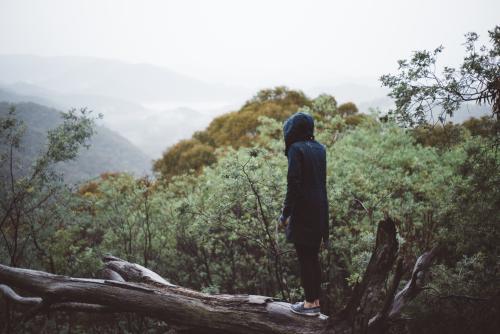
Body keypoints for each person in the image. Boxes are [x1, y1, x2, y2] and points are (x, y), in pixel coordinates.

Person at [279, 111, 329, 317]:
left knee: (305, 258)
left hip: (304, 209)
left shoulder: (295, 149)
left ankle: (309, 304)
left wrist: (285, 213)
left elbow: (294, 182)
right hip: (320, 209)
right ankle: (314, 301)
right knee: (312, 256)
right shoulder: (320, 148)